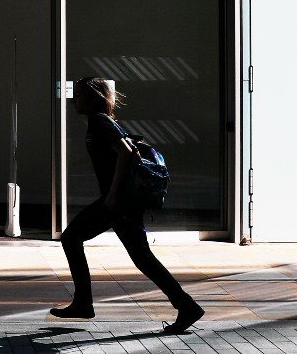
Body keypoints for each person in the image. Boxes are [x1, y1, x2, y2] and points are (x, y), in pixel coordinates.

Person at [51, 77, 203, 334]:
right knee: (142, 258)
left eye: (79, 95)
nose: (74, 100)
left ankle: (84, 303)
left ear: (94, 98)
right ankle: (186, 306)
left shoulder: (100, 121)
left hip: (117, 202)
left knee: (71, 238)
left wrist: (111, 195)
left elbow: (126, 152)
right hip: (121, 201)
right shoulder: (99, 121)